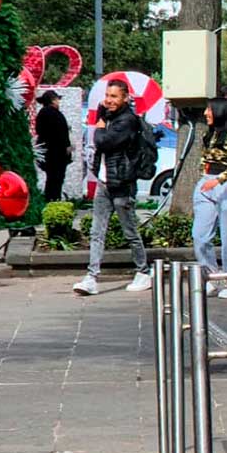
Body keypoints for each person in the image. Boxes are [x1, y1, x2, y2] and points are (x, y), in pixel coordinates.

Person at [73, 80, 151, 295]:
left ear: (125, 98)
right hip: (104, 182)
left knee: (130, 231)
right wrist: (102, 120)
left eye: (114, 96)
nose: (109, 100)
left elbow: (104, 141)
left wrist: (99, 127)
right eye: (107, 95)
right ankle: (91, 277)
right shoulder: (109, 117)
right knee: (96, 231)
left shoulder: (127, 121)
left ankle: (143, 271)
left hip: (122, 184)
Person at [192, 98, 227, 299]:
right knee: (200, 235)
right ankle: (211, 277)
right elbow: (203, 158)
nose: (206, 113)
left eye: (209, 109)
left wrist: (218, 180)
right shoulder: (209, 134)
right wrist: (205, 177)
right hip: (207, 182)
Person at [35, 90, 72, 202]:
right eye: (57, 99)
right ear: (53, 100)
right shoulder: (55, 114)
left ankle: (50, 199)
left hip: (47, 151)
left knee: (51, 178)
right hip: (56, 152)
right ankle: (54, 199)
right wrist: (67, 146)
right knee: (56, 178)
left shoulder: (42, 113)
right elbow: (61, 133)